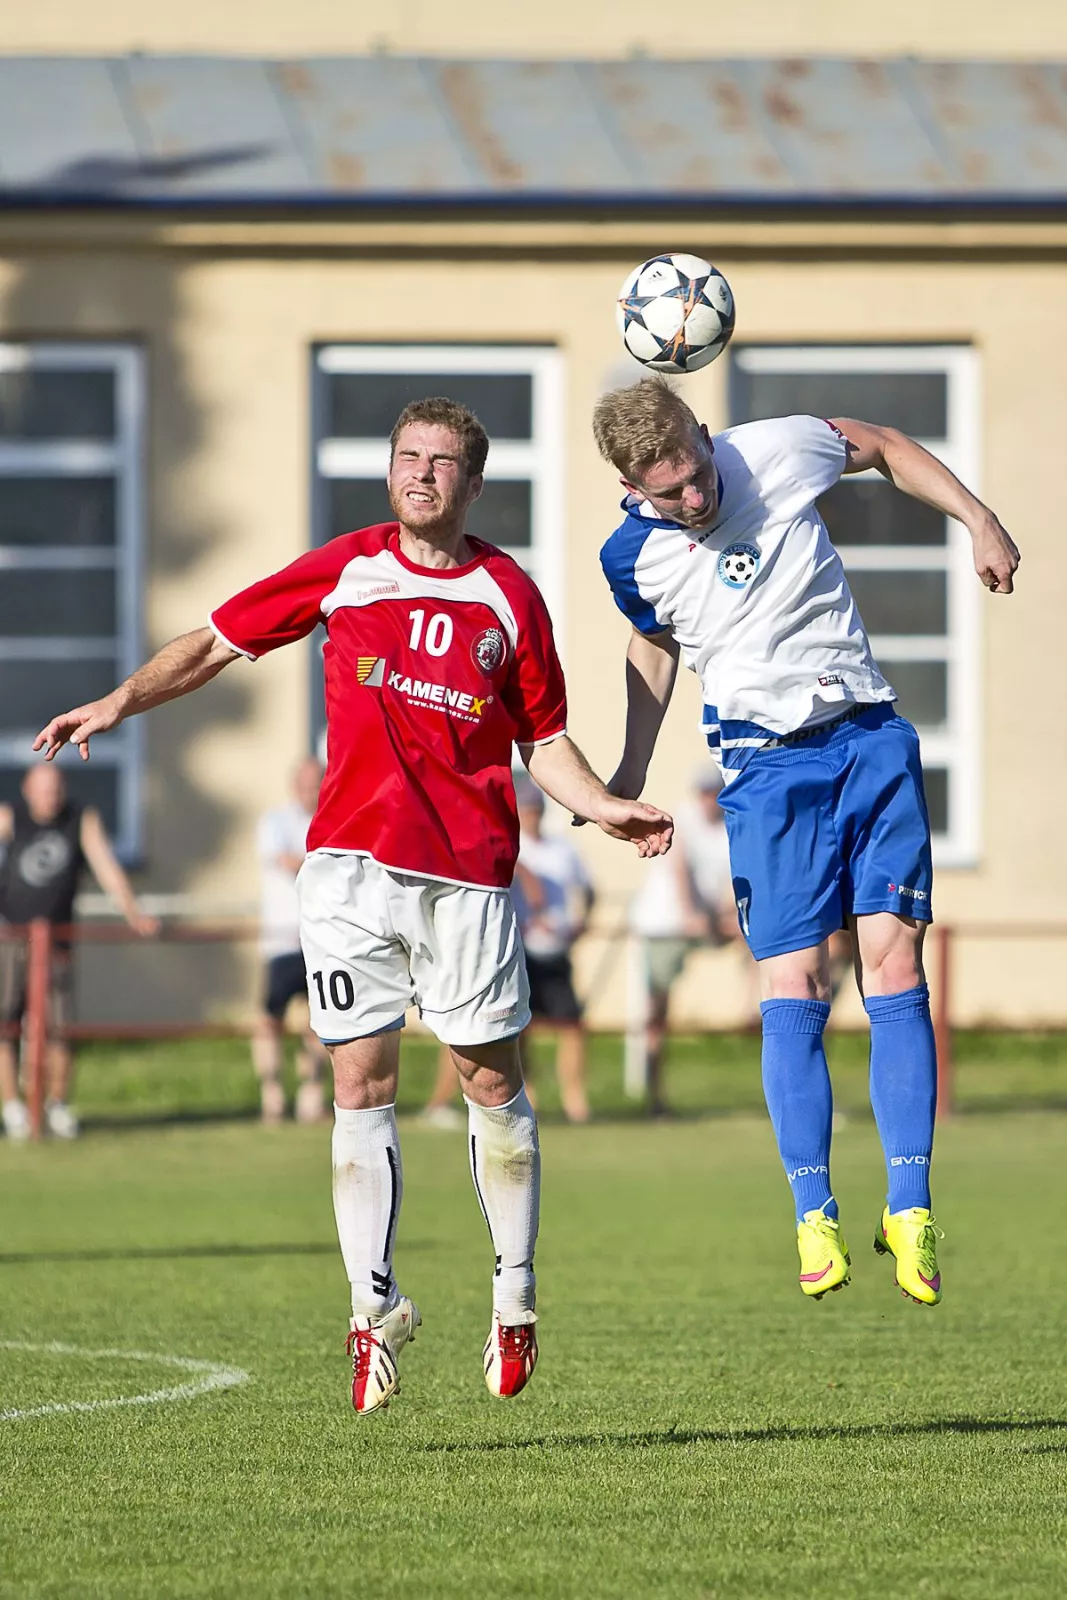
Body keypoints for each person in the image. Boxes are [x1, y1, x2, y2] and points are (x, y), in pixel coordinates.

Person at [35, 395, 672, 1414]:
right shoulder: (346, 567)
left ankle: (513, 1297)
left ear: (473, 482)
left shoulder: (509, 595)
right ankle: (372, 1313)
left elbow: (543, 739)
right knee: (358, 1082)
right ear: (389, 471)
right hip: (347, 872)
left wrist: (603, 804)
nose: (421, 473)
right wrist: (120, 700)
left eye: (442, 461)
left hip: (467, 876)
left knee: (488, 1080)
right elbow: (214, 641)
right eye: (407, 456)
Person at [594, 376, 1019, 1308]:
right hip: (765, 769)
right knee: (794, 984)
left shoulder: (774, 450)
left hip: (868, 734)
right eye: (671, 492)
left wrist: (976, 520)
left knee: (893, 965)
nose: (696, 496)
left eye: (698, 471)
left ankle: (908, 1207)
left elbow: (886, 445)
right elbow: (653, 643)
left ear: (705, 434)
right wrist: (628, 769)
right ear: (631, 489)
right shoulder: (630, 556)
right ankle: (813, 1213)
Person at [0, 764, 159, 1140]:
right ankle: (12, 1107)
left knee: (60, 1028)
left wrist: (133, 912)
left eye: (55, 789)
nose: (50, 797)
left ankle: (56, 1105)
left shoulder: (79, 819)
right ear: (27, 790)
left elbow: (106, 867)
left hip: (57, 942)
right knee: (5, 1024)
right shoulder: (10, 817)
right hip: (11, 939)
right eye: (43, 790)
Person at [628, 766, 751, 1114]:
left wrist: (730, 916)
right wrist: (690, 915)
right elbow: (680, 869)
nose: (710, 799)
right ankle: (654, 1097)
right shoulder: (682, 821)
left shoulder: (731, 826)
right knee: (656, 1013)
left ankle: (753, 1010)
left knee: (761, 944)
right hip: (665, 925)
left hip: (702, 921)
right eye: (705, 792)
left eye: (715, 792)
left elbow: (731, 879)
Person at [511, 775, 595, 1124]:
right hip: (522, 951)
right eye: (527, 809)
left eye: (535, 809)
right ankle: (528, 1094)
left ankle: (574, 1097)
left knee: (571, 1025)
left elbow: (588, 889)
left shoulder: (562, 848)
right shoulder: (514, 846)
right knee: (521, 1029)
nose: (532, 815)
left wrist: (582, 922)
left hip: (556, 948)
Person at [254, 756, 331, 1125]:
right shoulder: (275, 822)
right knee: (271, 1020)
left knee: (321, 1023)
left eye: (317, 784)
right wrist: (324, 866)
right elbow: (287, 861)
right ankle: (271, 1096)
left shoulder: (332, 821)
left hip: (323, 939)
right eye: (306, 784)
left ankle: (310, 1098)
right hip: (284, 939)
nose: (311, 791)